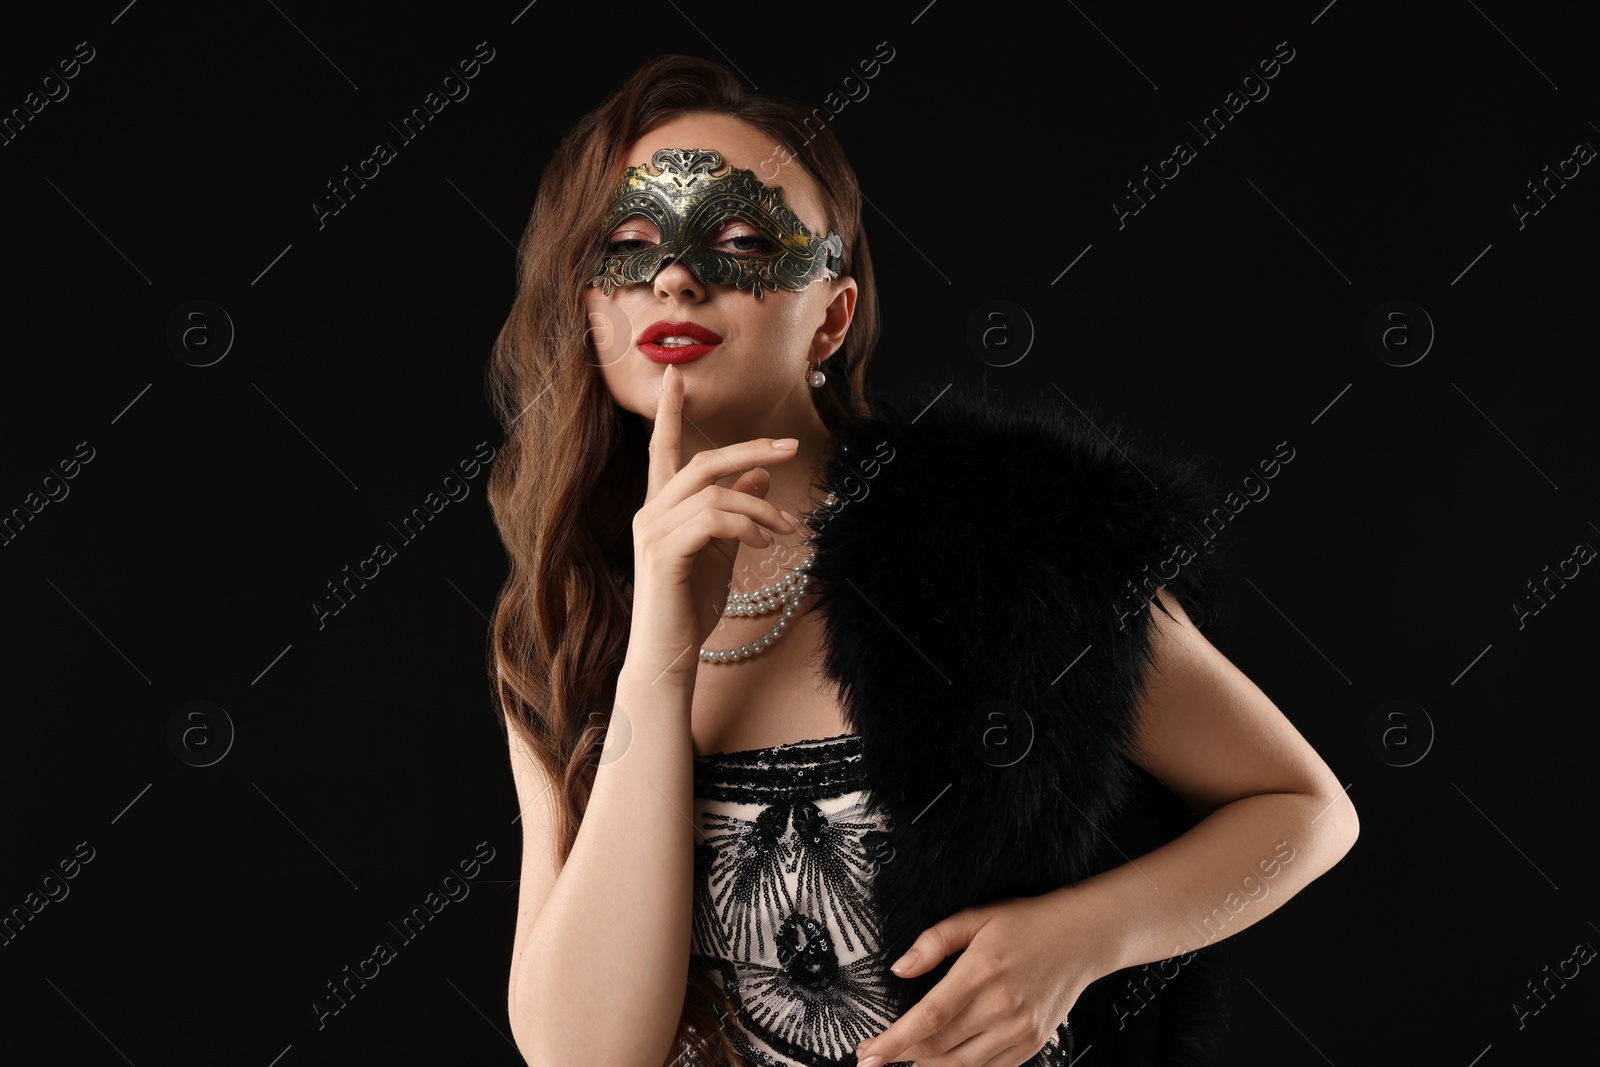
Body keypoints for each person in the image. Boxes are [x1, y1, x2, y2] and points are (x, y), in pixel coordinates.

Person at [487, 54, 1359, 1067]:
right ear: (592, 311)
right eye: (629, 244)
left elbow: (1304, 810)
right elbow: (584, 1053)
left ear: (833, 314)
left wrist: (1081, 938)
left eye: (739, 239)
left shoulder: (1018, 545)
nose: (677, 276)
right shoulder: (566, 618)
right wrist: (659, 655)